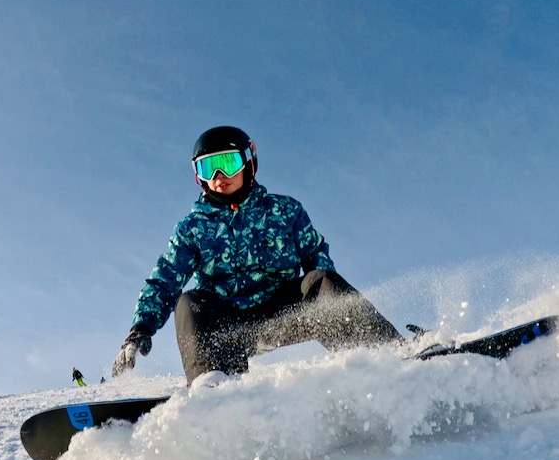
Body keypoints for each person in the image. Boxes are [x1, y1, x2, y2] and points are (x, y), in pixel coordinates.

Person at [111, 125, 402, 385]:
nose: (218, 176)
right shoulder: (193, 228)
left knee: (322, 280)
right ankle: (214, 385)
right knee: (190, 302)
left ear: (249, 163)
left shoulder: (284, 211)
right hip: (228, 326)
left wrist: (330, 299)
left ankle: (388, 353)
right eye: (208, 167)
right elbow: (166, 279)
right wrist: (141, 328)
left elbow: (315, 256)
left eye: (227, 163)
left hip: (286, 312)